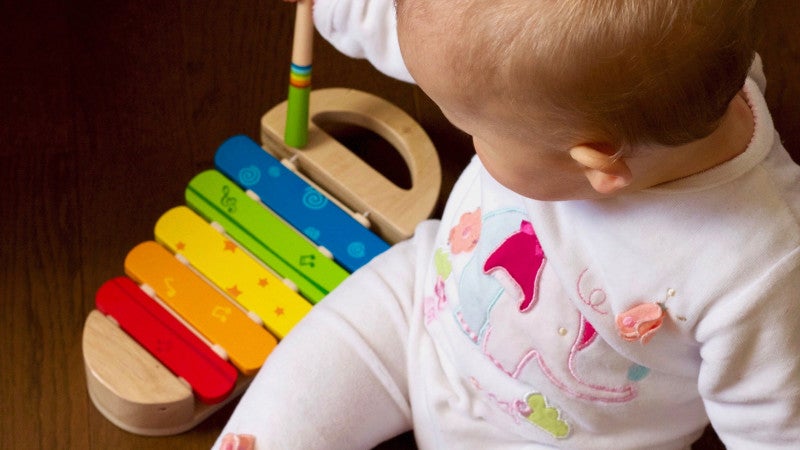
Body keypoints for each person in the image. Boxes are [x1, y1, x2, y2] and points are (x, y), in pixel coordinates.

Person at [216, 0, 800, 448]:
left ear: (595, 163)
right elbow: (444, 43)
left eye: (476, 131)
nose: (470, 136)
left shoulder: (760, 272)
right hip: (422, 312)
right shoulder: (646, 80)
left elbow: (773, 426)